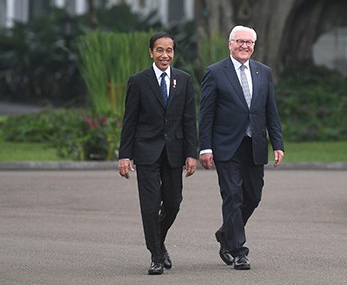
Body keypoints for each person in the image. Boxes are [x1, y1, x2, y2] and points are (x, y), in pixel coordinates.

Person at [198, 25, 285, 270]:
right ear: (230, 44)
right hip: (226, 146)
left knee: (253, 196)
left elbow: (271, 111)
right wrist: (205, 147)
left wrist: (277, 143)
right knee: (233, 195)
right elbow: (205, 114)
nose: (244, 46)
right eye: (240, 42)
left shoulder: (263, 72)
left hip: (254, 144)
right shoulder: (215, 73)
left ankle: (225, 233)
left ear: (254, 46)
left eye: (249, 42)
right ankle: (239, 250)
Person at [117, 32, 198, 275]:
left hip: (174, 151)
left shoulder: (184, 80)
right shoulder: (139, 80)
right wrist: (124, 155)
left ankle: (159, 242)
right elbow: (129, 121)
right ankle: (155, 256)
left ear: (174, 53)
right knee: (151, 206)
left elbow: (189, 120)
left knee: (173, 203)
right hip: (146, 152)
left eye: (169, 50)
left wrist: (190, 153)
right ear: (151, 52)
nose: (165, 55)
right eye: (160, 50)